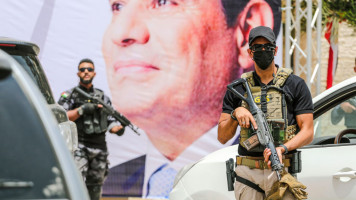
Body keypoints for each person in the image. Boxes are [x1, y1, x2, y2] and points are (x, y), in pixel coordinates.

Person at [101, 0, 282, 198]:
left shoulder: (267, 171)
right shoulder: (108, 183)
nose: (121, 33)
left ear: (247, 31)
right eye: (117, 7)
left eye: (163, 3)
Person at [218, 26, 314, 200]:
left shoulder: (295, 85)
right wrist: (235, 114)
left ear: (275, 50)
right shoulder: (238, 87)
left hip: (282, 172)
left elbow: (308, 132)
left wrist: (283, 148)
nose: (263, 50)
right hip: (248, 175)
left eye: (267, 47)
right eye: (257, 47)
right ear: (250, 52)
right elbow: (222, 137)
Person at [58, 58, 123, 200]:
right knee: (76, 184)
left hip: (99, 148)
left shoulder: (103, 98)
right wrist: (81, 110)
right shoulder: (70, 95)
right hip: (79, 146)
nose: (86, 72)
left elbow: (110, 121)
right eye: (82, 70)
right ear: (78, 73)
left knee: (95, 186)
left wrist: (117, 128)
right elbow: (61, 117)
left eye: (89, 69)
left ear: (94, 73)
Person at [331, 60, 356, 129]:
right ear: (355, 69)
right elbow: (334, 120)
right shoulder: (348, 91)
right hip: (352, 136)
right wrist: (341, 108)